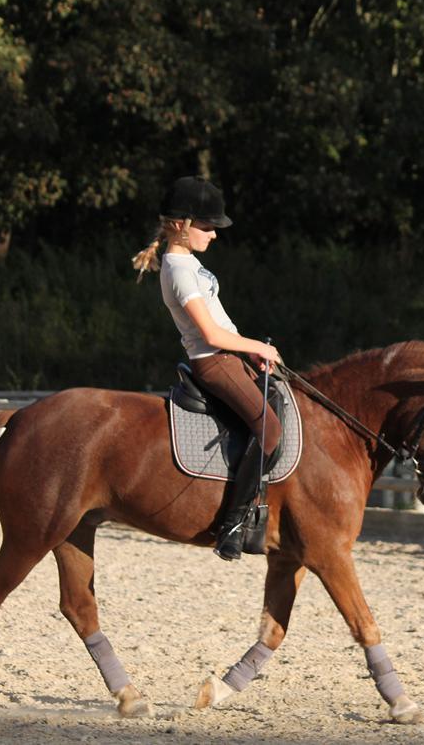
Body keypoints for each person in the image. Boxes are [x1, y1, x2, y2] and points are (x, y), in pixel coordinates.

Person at [132, 176, 282, 561]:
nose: (214, 235)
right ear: (182, 224)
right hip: (214, 362)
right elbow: (210, 333)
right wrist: (257, 346)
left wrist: (249, 351)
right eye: (208, 226)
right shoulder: (179, 270)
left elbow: (222, 321)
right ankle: (233, 522)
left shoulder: (190, 263)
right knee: (270, 430)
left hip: (229, 356)